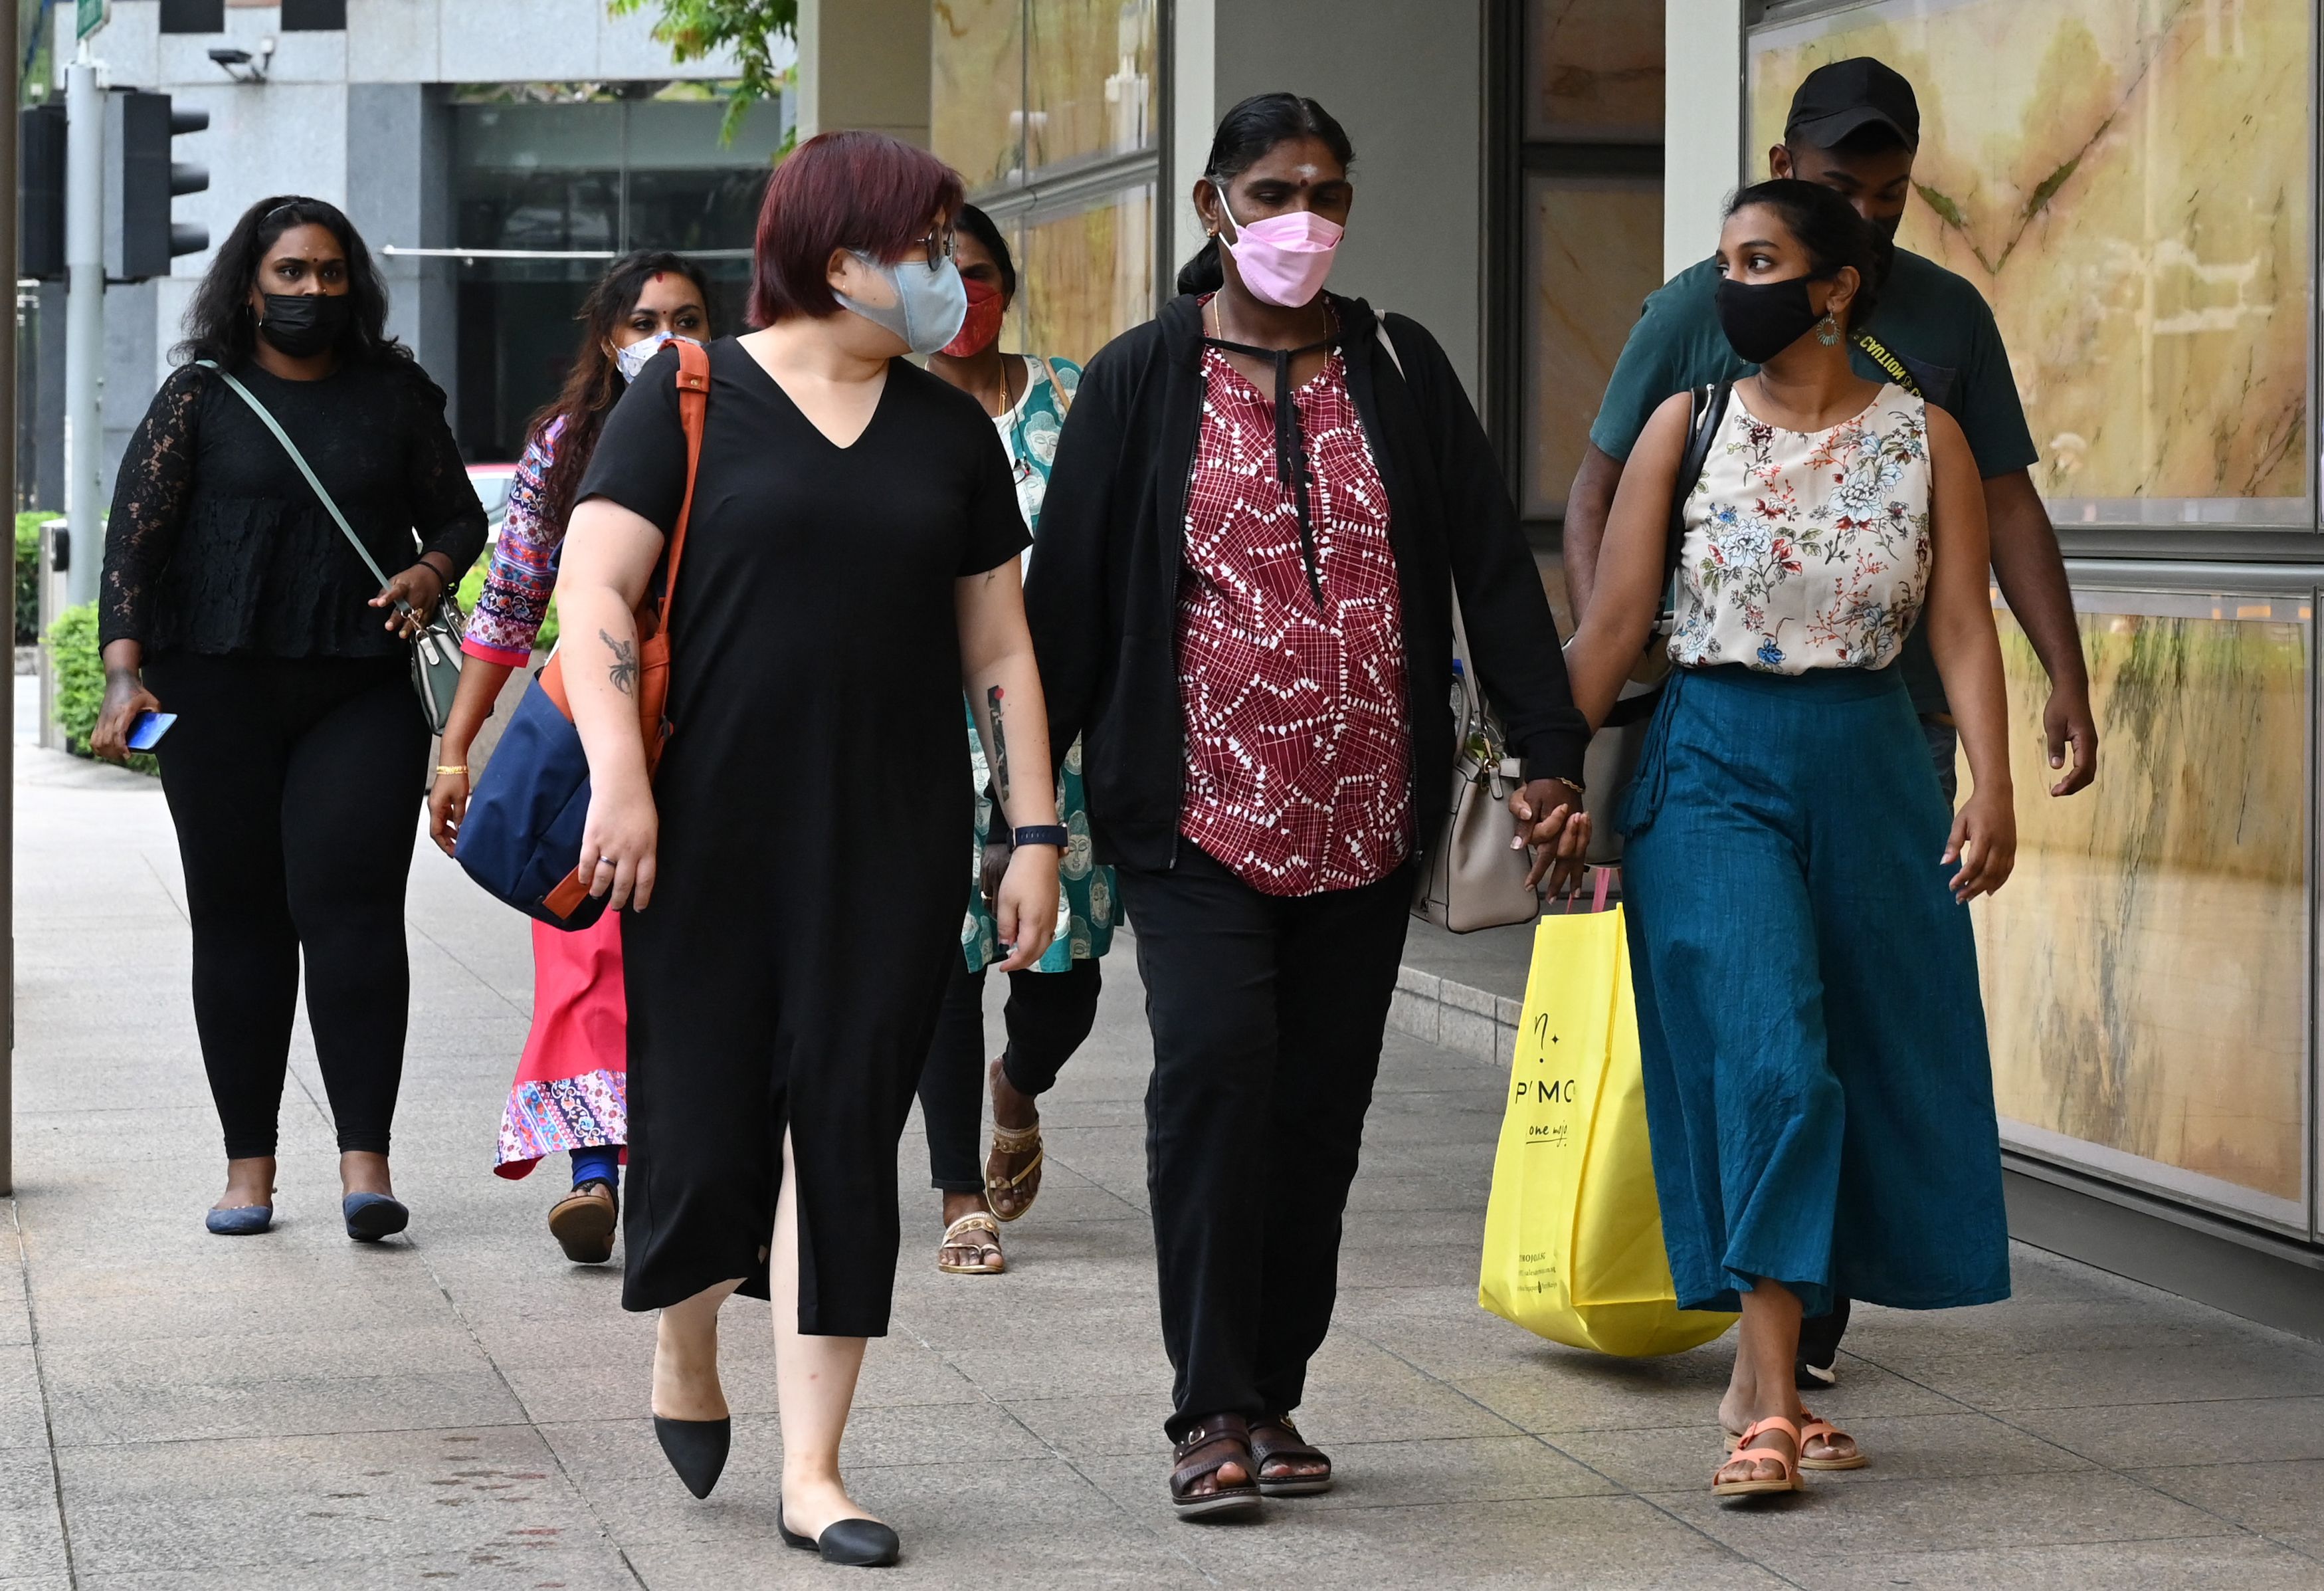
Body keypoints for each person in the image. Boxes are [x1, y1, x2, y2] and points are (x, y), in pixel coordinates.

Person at [1026, 92, 1589, 1519]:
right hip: (1193, 814)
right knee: (1213, 1081)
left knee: (1317, 1117)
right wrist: (1027, 808)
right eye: (1274, 192)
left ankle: (1270, 1389)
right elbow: (1067, 614)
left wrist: (1547, 755)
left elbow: (1492, 574)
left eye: (1327, 196)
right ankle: (1206, 1402)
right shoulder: (1140, 380)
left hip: (1362, 822)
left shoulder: (1398, 365)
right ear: (1214, 204)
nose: (1303, 222)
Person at [556, 131, 1061, 1566]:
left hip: (890, 836)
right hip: (700, 828)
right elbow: (596, 591)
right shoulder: (687, 392)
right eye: (924, 248)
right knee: (710, 1118)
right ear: (839, 258)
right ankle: (685, 1341)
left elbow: (999, 645)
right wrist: (621, 783)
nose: (946, 278)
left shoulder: (948, 431)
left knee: (845, 1131)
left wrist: (1031, 829)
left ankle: (816, 1472)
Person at [1562, 54, 2095, 1387]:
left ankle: (1799, 1333)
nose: (1865, 204)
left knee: (1852, 1042)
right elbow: (1608, 543)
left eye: (1886, 189)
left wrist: (2027, 726)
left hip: (1878, 744)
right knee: (1767, 1045)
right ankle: (1767, 1363)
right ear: (1789, 162)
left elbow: (1980, 575)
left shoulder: (1937, 375)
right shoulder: (1690, 340)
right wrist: (1540, 753)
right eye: (1837, 182)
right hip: (1713, 746)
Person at [91, 195, 487, 1241]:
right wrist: (124, 675)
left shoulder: (394, 394)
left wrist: (432, 566)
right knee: (236, 915)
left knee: (350, 903)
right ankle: (248, 1167)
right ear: (249, 286)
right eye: (289, 274)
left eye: (329, 273)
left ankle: (367, 1161)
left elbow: (460, 509)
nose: (311, 291)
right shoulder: (199, 397)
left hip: (358, 686)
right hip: (209, 691)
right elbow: (135, 543)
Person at [425, 251, 714, 1266]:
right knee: (583, 937)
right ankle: (594, 1170)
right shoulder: (564, 444)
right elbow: (509, 604)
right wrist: (455, 749)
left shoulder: (744, 423)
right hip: (596, 717)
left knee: (695, 956)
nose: (667, 338)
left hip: (717, 718)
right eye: (644, 320)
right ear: (607, 336)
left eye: (687, 317)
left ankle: (686, 1162)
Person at [916, 205, 1113, 1277]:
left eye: (981, 273)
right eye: (942, 275)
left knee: (1063, 981)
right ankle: (959, 1193)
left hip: (1059, 731)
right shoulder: (884, 410)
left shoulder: (1072, 398)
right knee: (944, 964)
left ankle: (1018, 1085)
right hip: (924, 732)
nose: (964, 294)